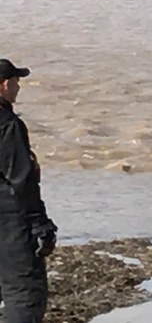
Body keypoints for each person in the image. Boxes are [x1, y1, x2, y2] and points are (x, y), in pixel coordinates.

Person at [0, 59, 56, 323]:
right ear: (4, 85)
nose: (18, 87)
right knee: (25, 296)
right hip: (9, 222)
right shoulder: (7, 125)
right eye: (15, 81)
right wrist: (40, 224)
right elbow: (21, 179)